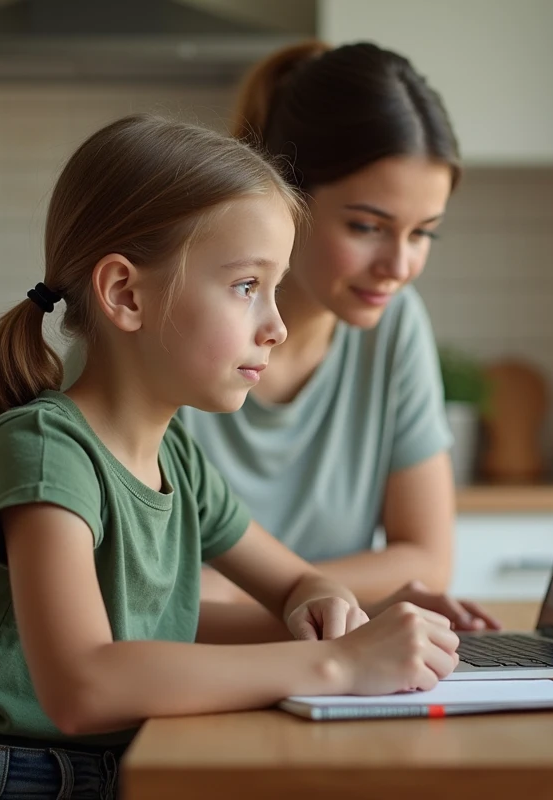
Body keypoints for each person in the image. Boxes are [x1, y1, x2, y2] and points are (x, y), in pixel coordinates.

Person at [0, 115, 459, 800]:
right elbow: (83, 687)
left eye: (276, 287)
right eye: (246, 286)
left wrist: (337, 613)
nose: (277, 324)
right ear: (126, 294)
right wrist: (336, 667)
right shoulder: (45, 453)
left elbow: (296, 584)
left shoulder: (175, 455)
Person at [178, 41, 500, 631]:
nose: (398, 265)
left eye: (425, 233)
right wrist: (329, 601)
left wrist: (302, 599)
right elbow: (139, 594)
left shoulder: (395, 323)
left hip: (310, 655)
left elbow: (428, 559)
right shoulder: (173, 325)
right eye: (366, 227)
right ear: (285, 195)